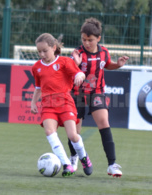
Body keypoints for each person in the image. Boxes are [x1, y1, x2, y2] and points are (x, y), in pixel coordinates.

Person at [68, 18, 129, 177]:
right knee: (75, 130)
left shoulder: (104, 52)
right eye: (84, 39)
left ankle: (112, 164)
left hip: (97, 92)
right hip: (78, 93)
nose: (86, 43)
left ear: (98, 39)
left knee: (104, 122)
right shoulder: (77, 53)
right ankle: (74, 157)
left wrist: (118, 65)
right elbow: (69, 72)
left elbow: (107, 64)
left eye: (90, 40)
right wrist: (75, 64)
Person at [31, 33, 93, 177]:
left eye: (45, 51)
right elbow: (38, 87)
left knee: (73, 135)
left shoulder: (65, 62)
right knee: (49, 132)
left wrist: (79, 76)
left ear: (53, 48)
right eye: (39, 51)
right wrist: (34, 102)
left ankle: (84, 157)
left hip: (65, 102)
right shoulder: (36, 67)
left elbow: (80, 74)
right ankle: (67, 164)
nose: (42, 54)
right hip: (47, 105)